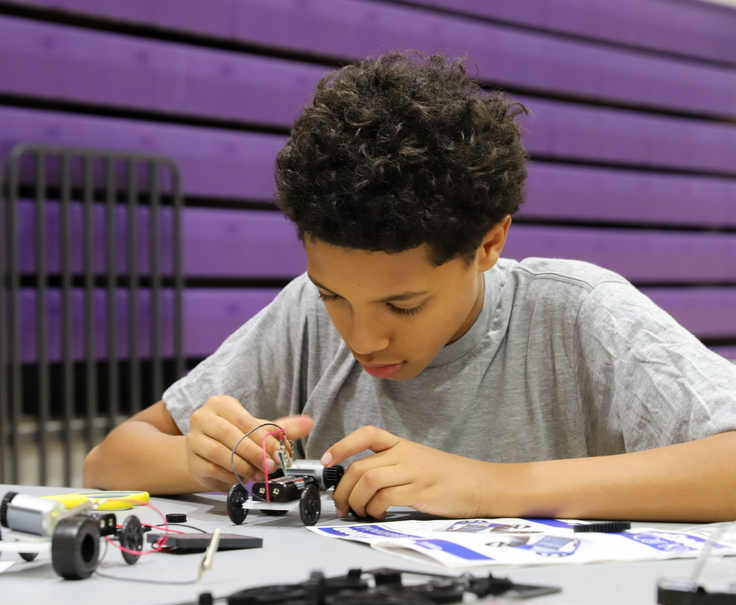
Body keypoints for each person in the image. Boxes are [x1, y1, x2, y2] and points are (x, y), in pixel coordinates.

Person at [83, 52, 736, 523]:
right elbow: (106, 464)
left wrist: (491, 486)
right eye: (335, 294)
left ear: (489, 244)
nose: (363, 336)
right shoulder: (303, 316)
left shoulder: (580, 315)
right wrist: (200, 462)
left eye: (403, 303)